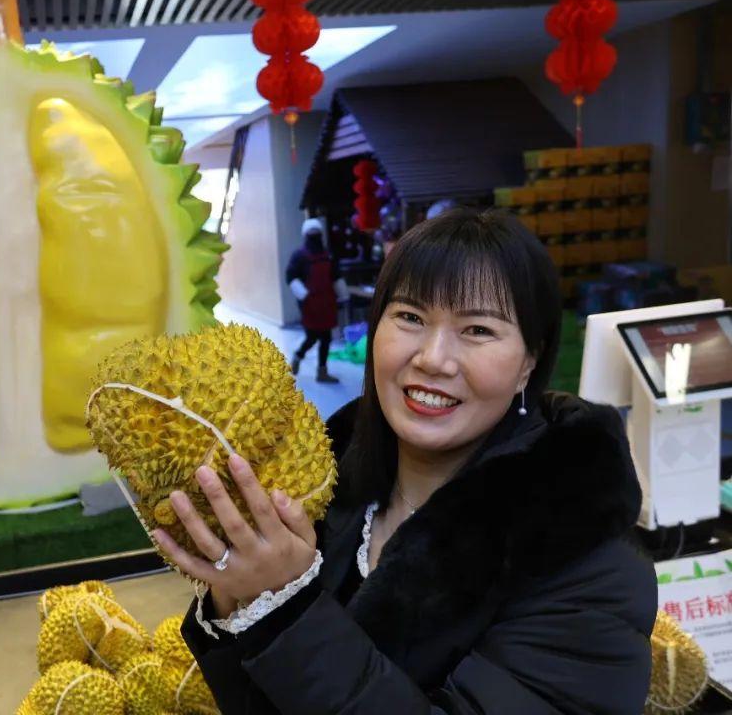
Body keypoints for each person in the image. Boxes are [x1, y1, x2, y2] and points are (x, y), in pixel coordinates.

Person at [152, 209, 655, 713]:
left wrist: (284, 608)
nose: (433, 358)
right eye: (411, 317)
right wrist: (236, 598)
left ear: (528, 362)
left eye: (477, 329)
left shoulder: (590, 562)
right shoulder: (322, 492)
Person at [286, 218, 349, 383]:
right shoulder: (299, 256)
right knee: (312, 337)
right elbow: (291, 277)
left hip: (327, 302)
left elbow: (335, 276)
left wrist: (343, 295)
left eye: (317, 233)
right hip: (310, 304)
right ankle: (298, 356)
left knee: (326, 338)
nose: (314, 236)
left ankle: (322, 372)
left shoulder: (328, 255)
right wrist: (304, 295)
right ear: (306, 235)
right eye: (311, 234)